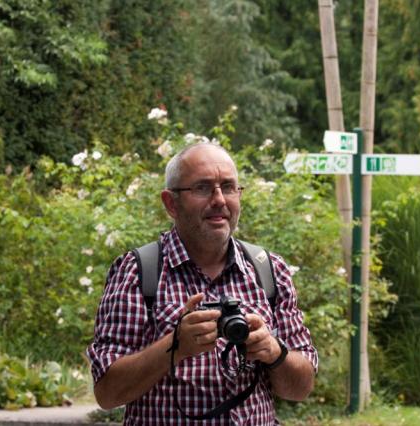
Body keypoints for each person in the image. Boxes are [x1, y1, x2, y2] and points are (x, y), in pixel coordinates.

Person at [87, 143, 318, 425]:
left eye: (229, 187)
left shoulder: (269, 270)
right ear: (171, 203)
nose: (219, 199)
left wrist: (274, 352)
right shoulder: (138, 271)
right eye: (203, 188)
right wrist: (175, 346)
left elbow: (301, 387)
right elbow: (107, 393)